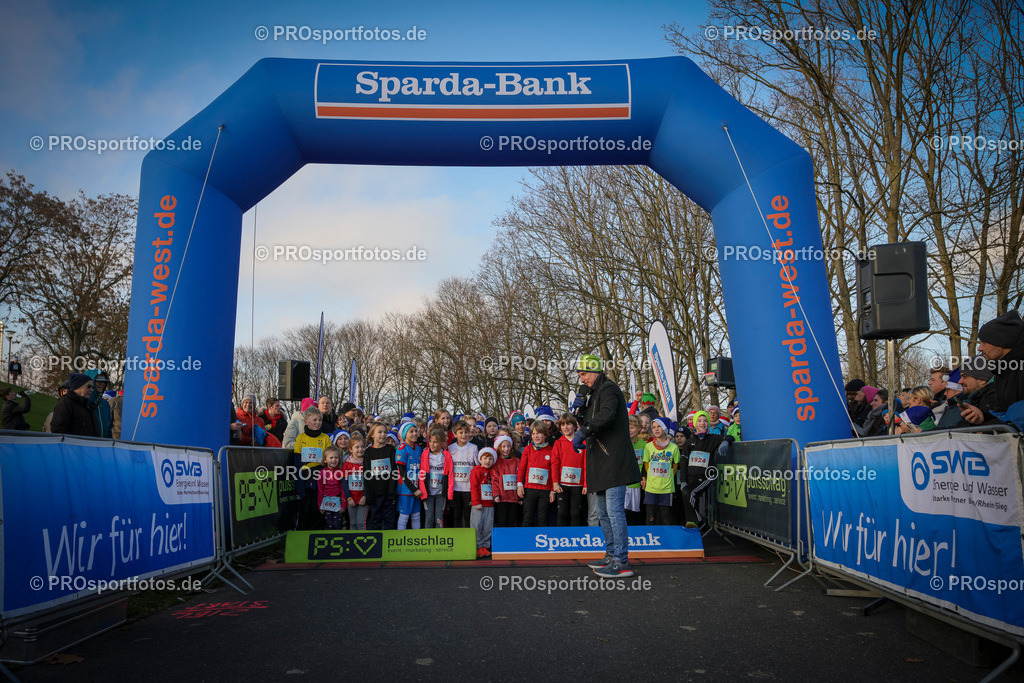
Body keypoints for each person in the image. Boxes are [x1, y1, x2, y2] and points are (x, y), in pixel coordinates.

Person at [573, 354, 642, 579]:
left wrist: (584, 432)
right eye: (579, 375)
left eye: (584, 374)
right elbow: (591, 421)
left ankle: (622, 561)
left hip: (614, 459)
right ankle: (611, 554)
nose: (581, 379)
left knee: (614, 511)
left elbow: (607, 415)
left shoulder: (609, 389)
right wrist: (580, 411)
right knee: (602, 512)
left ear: (595, 371)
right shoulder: (593, 394)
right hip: (601, 460)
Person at [962, 311, 1024, 425]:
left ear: (1001, 342)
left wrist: (988, 430)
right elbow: (1002, 412)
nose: (979, 348)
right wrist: (982, 417)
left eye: (984, 343)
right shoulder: (1001, 372)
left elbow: (1017, 418)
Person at [679, 410, 733, 528]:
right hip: (690, 477)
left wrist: (725, 442)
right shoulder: (689, 442)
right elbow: (683, 462)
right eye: (699, 421)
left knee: (689, 492)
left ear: (708, 423)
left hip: (706, 476)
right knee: (688, 494)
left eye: (705, 421)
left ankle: (695, 520)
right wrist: (683, 480)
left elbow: (730, 437)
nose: (702, 423)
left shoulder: (713, 438)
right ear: (695, 423)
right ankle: (695, 522)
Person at [293, 406, 331, 529]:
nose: (317, 423)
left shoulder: (325, 438)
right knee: (305, 513)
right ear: (306, 422)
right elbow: (297, 462)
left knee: (319, 514)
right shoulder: (301, 438)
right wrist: (300, 486)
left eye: (319, 420)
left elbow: (329, 462)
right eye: (314, 420)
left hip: (320, 481)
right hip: (305, 481)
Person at [517, 418, 555, 526]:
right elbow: (521, 468)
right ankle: (526, 536)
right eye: (533, 434)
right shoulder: (528, 449)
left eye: (538, 433)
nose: (536, 436)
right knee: (528, 516)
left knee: (542, 518)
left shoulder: (551, 451)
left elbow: (553, 472)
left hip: (545, 490)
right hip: (529, 489)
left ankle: (543, 536)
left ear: (545, 434)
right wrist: (519, 484)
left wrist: (553, 490)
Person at [642, 417, 679, 525]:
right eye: (654, 427)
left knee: (666, 515)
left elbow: (675, 466)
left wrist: (668, 478)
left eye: (659, 426)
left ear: (665, 428)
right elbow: (646, 464)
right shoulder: (648, 446)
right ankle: (650, 535)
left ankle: (665, 535)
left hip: (666, 488)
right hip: (651, 488)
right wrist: (650, 479)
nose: (656, 429)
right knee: (650, 516)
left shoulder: (674, 448)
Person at [552, 413, 587, 526]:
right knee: (562, 513)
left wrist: (585, 484)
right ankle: (561, 535)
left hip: (578, 485)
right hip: (562, 485)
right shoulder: (558, 443)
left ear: (574, 426)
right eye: (563, 425)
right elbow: (555, 464)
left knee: (575, 514)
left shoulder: (583, 443)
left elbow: (586, 464)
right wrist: (555, 483)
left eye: (568, 424)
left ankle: (575, 536)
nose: (566, 427)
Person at [363, 422, 398, 530]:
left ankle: (389, 539)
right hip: (375, 494)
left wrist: (391, 491)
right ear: (372, 435)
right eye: (380, 432)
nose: (383, 434)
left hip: (388, 493)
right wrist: (369, 494)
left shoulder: (390, 449)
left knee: (389, 520)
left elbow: (394, 472)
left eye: (385, 432)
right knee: (375, 520)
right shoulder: (368, 452)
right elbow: (367, 474)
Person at [419, 427, 452, 528]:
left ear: (442, 442)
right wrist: (422, 489)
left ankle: (439, 537)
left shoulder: (446, 455)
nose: (432, 444)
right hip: (428, 492)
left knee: (439, 518)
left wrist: (449, 493)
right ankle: (427, 537)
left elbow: (450, 474)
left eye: (435, 442)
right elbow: (421, 473)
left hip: (440, 493)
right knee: (429, 517)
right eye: (430, 441)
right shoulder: (425, 454)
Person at [449, 419, 479, 528]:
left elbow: (477, 466)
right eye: (461, 432)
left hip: (468, 488)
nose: (464, 435)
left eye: (466, 432)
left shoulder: (473, 447)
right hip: (455, 488)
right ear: (455, 434)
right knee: (456, 515)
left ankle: (467, 537)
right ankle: (457, 536)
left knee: (467, 515)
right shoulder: (450, 448)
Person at [396, 422, 426, 529]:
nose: (414, 433)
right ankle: (401, 538)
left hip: (417, 488)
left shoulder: (418, 448)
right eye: (411, 431)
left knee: (416, 516)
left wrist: (419, 488)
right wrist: (414, 489)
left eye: (416, 431)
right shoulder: (402, 448)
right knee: (404, 516)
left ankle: (416, 537)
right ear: (404, 434)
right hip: (406, 489)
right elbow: (402, 473)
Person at [470, 447, 499, 558]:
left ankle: (485, 546)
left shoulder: (493, 472)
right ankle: (477, 547)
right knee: (477, 526)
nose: (487, 461)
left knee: (487, 526)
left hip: (489, 504)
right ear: (480, 459)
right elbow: (474, 487)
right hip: (478, 504)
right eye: (485, 458)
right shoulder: (476, 471)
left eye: (490, 459)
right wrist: (476, 502)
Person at [491, 434, 521, 527]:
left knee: (512, 522)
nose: (506, 449)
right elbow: (494, 480)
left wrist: (520, 496)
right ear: (499, 447)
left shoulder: (516, 461)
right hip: (502, 498)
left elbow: (520, 477)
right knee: (502, 522)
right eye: (503, 446)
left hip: (514, 498)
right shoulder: (496, 462)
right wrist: (496, 494)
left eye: (508, 446)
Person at [317, 446, 348, 530]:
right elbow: (320, 490)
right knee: (328, 525)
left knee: (337, 525)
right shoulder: (322, 473)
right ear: (325, 460)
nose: (334, 460)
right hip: (326, 503)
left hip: (338, 503)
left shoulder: (341, 472)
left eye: (336, 458)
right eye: (331, 458)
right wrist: (320, 505)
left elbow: (343, 489)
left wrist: (343, 505)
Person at [342, 434, 368, 530]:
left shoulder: (367, 463)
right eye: (357, 447)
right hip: (351, 498)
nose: (360, 449)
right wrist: (348, 498)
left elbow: (369, 481)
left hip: (363, 498)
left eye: (362, 447)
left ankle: (363, 538)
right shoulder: (347, 464)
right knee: (352, 523)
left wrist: (365, 496)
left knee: (361, 522)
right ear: (351, 449)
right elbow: (344, 482)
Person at [625, 415, 645, 525]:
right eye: (627, 427)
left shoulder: (645, 445)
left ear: (639, 428)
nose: (629, 430)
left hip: (638, 485)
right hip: (625, 484)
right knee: (624, 513)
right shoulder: (623, 444)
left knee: (635, 514)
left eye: (632, 427)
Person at [84, 370, 113, 438]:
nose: (102, 384)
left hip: (104, 443)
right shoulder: (83, 402)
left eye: (104, 382)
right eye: (99, 381)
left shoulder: (105, 403)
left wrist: (109, 441)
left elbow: (109, 427)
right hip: (88, 443)